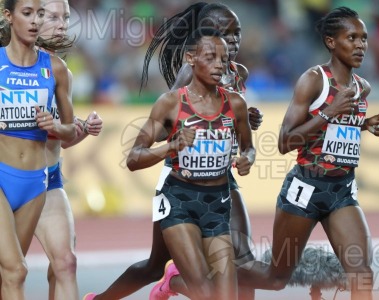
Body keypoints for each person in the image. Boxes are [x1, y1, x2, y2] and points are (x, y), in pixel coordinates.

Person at [84, 3, 262, 300]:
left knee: (243, 257)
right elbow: (172, 123)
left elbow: (227, 118)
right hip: (180, 177)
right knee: (154, 265)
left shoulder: (237, 72)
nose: (232, 40)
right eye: (224, 32)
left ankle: (180, 279)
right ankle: (112, 296)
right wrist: (182, 137)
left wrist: (248, 119)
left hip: (220, 178)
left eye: (237, 33)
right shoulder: (186, 74)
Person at [231, 6, 379, 300]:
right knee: (276, 279)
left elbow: (340, 129)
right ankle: (203, 274)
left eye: (364, 38)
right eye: (351, 38)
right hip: (305, 190)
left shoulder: (361, 87)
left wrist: (366, 125)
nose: (360, 45)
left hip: (342, 191)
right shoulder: (314, 80)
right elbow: (285, 141)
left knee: (362, 274)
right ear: (331, 42)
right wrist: (329, 111)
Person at [137, 27, 254, 300]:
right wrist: (172, 145)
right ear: (190, 58)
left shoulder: (236, 104)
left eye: (223, 59)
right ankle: (174, 282)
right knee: (204, 292)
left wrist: (247, 158)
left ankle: (173, 281)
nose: (219, 65)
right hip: (180, 201)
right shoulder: (170, 103)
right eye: (211, 57)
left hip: (218, 203)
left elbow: (248, 146)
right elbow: (134, 157)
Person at [0, 0, 75, 298]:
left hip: (35, 183)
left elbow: (69, 131)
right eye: (27, 13)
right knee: (17, 270)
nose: (35, 21)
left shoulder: (56, 68)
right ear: (9, 16)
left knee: (7, 274)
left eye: (39, 14)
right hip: (1, 178)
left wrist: (55, 127)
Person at [32, 1, 103, 299]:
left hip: (48, 180)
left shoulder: (60, 71)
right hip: (5, 182)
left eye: (66, 18)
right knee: (10, 270)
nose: (62, 25)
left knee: (65, 264)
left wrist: (84, 128)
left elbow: (59, 137)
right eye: (54, 17)